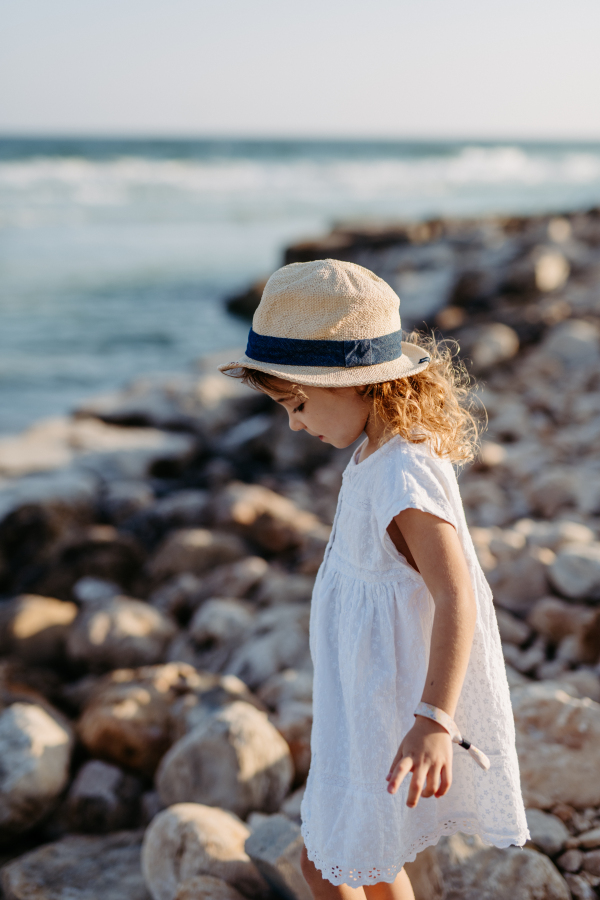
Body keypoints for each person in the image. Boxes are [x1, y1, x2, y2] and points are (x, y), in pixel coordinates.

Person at [219, 259, 528, 900]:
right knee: (365, 862)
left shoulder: (402, 477)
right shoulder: (377, 454)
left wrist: (435, 719)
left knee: (330, 863)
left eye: (298, 403)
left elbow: (456, 593)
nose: (293, 423)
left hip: (394, 710)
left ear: (359, 384)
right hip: (365, 701)